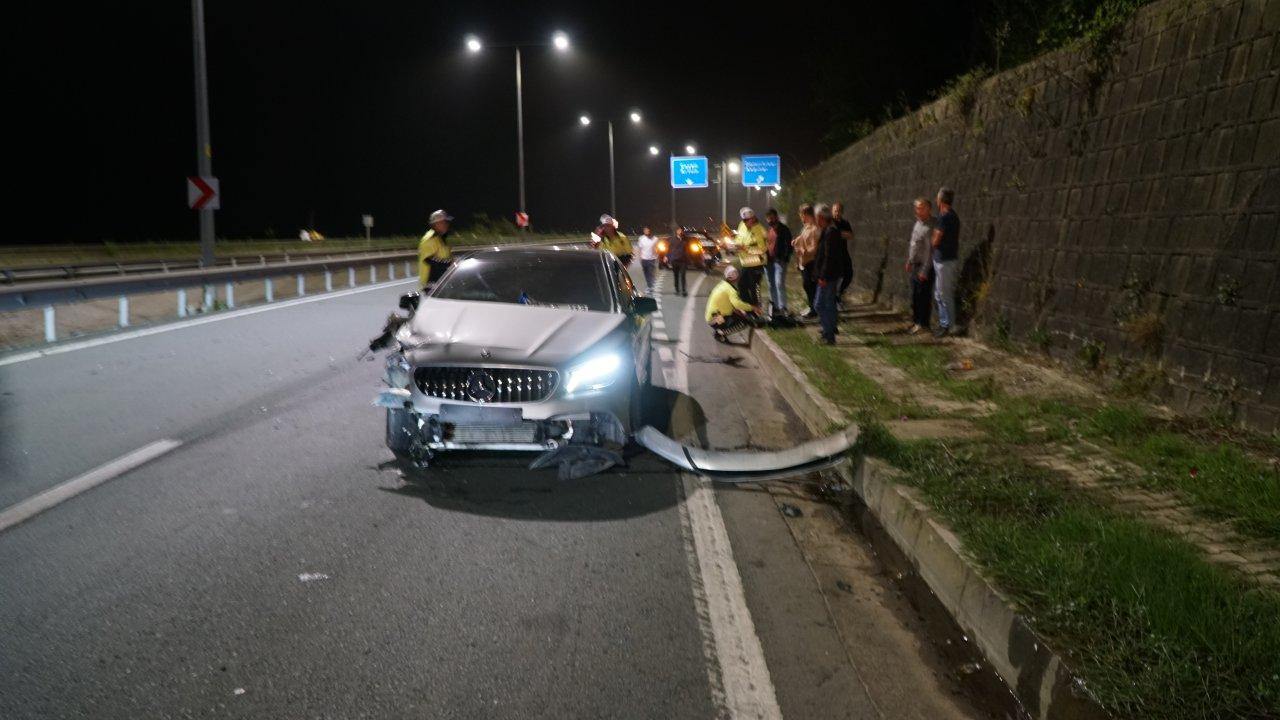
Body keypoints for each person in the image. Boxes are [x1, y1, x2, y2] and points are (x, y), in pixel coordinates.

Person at [931, 187, 961, 337]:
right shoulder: (952, 216)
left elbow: (936, 240)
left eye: (937, 198)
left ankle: (950, 324)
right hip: (944, 259)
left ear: (940, 200)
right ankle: (944, 322)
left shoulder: (944, 217)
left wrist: (933, 239)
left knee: (944, 293)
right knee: (939, 293)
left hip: (945, 260)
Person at [811, 204, 843, 345]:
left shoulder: (831, 232)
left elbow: (829, 257)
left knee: (819, 304)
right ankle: (828, 333)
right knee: (828, 304)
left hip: (828, 276)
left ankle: (829, 333)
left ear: (820, 217)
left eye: (817, 217)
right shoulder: (828, 231)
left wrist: (823, 276)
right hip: (829, 275)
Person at [705, 265, 762, 341]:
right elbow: (737, 304)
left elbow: (731, 305)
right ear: (735, 278)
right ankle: (720, 333)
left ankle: (720, 329)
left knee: (741, 315)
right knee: (743, 323)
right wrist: (753, 307)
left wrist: (742, 313)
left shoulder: (722, 284)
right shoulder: (731, 290)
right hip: (715, 318)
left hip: (712, 316)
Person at [906, 198, 936, 334]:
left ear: (928, 208)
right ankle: (916, 321)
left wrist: (925, 270)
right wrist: (909, 260)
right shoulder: (918, 223)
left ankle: (923, 324)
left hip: (925, 266)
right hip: (915, 265)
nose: (917, 210)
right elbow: (914, 244)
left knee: (923, 295)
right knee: (915, 295)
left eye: (920, 207)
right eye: (916, 207)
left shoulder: (931, 226)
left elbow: (930, 250)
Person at [733, 207, 767, 307]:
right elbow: (738, 239)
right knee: (741, 285)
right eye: (744, 221)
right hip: (745, 263)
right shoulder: (742, 225)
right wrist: (735, 245)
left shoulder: (760, 230)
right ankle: (749, 307)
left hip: (757, 263)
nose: (746, 223)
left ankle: (757, 309)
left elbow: (763, 249)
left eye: (748, 220)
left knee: (754, 287)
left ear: (753, 218)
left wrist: (746, 249)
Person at [791, 203, 819, 319]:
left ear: (806, 214)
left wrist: (804, 251)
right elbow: (802, 238)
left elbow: (814, 247)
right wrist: (796, 241)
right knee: (807, 285)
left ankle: (814, 309)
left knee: (810, 285)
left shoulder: (815, 229)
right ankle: (811, 306)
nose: (801, 218)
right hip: (804, 261)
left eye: (802, 215)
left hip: (811, 261)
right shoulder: (806, 227)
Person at [765, 208, 793, 318]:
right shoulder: (770, 230)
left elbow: (789, 246)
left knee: (779, 283)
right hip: (769, 262)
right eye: (768, 218)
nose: (770, 220)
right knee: (771, 285)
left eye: (771, 218)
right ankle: (775, 307)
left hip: (779, 262)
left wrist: (785, 257)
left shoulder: (784, 229)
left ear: (776, 217)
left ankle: (783, 307)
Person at [417, 209, 454, 287]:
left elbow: (445, 256)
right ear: (436, 224)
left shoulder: (441, 238)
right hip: (431, 284)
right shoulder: (430, 239)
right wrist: (449, 263)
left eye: (447, 222)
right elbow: (429, 259)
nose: (447, 224)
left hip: (441, 282)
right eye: (443, 222)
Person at [636, 226, 659, 293]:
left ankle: (650, 287)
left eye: (648, 230)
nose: (646, 231)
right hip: (644, 259)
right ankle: (650, 285)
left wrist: (657, 255)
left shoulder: (655, 239)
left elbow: (657, 248)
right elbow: (640, 249)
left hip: (652, 259)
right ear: (644, 231)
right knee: (646, 274)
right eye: (645, 230)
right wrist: (640, 258)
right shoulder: (641, 238)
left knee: (650, 273)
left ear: (650, 231)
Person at [668, 226, 690, 296]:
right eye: (679, 230)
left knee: (683, 275)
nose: (680, 231)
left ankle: (684, 291)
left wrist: (688, 258)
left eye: (681, 230)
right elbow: (669, 249)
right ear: (677, 231)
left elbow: (688, 250)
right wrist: (667, 257)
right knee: (676, 276)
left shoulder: (686, 240)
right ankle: (677, 290)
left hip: (683, 261)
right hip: (675, 261)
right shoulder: (673, 239)